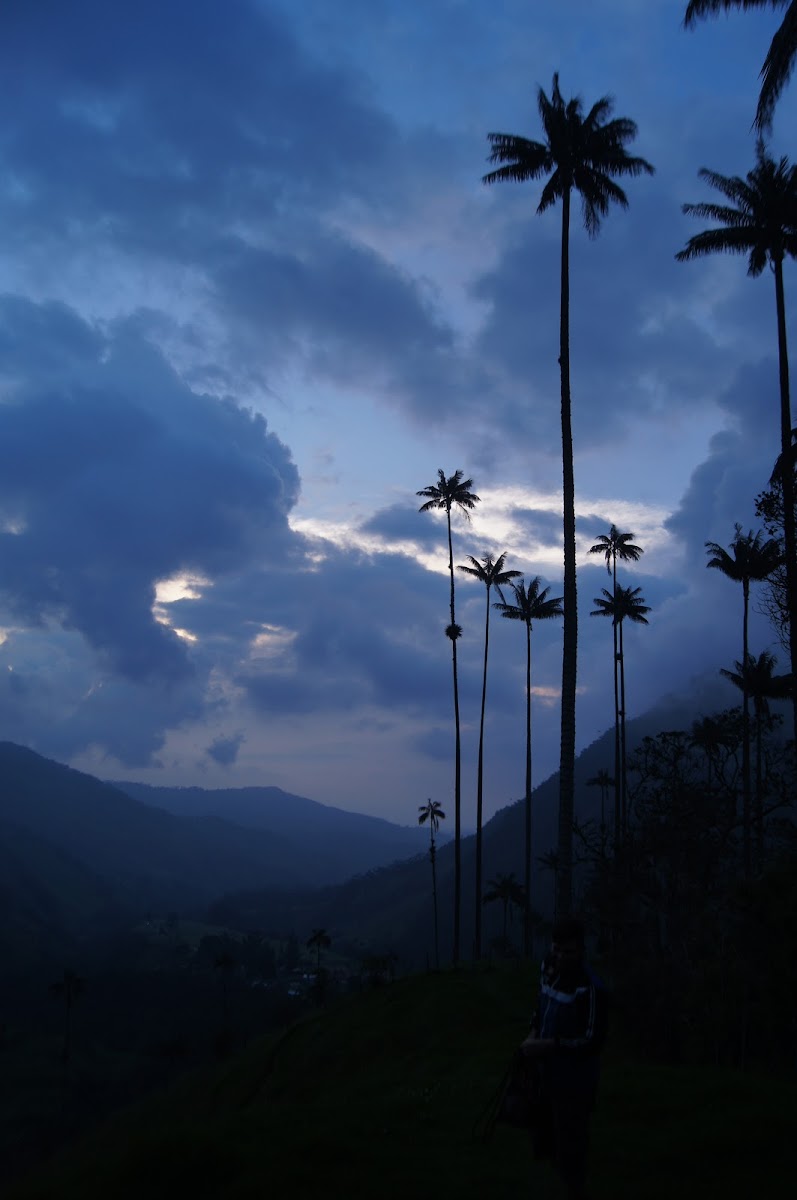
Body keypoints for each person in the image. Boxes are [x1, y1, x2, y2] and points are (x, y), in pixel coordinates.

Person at [520, 916, 608, 1200]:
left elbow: (591, 1041)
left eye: (568, 952)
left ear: (581, 950)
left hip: (574, 1080)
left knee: (571, 1139)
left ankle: (574, 1189)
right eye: (557, 949)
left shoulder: (590, 987)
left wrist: (546, 1046)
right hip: (544, 1072)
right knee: (544, 1133)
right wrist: (533, 1033)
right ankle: (554, 1182)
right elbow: (540, 1005)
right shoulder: (547, 967)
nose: (560, 956)